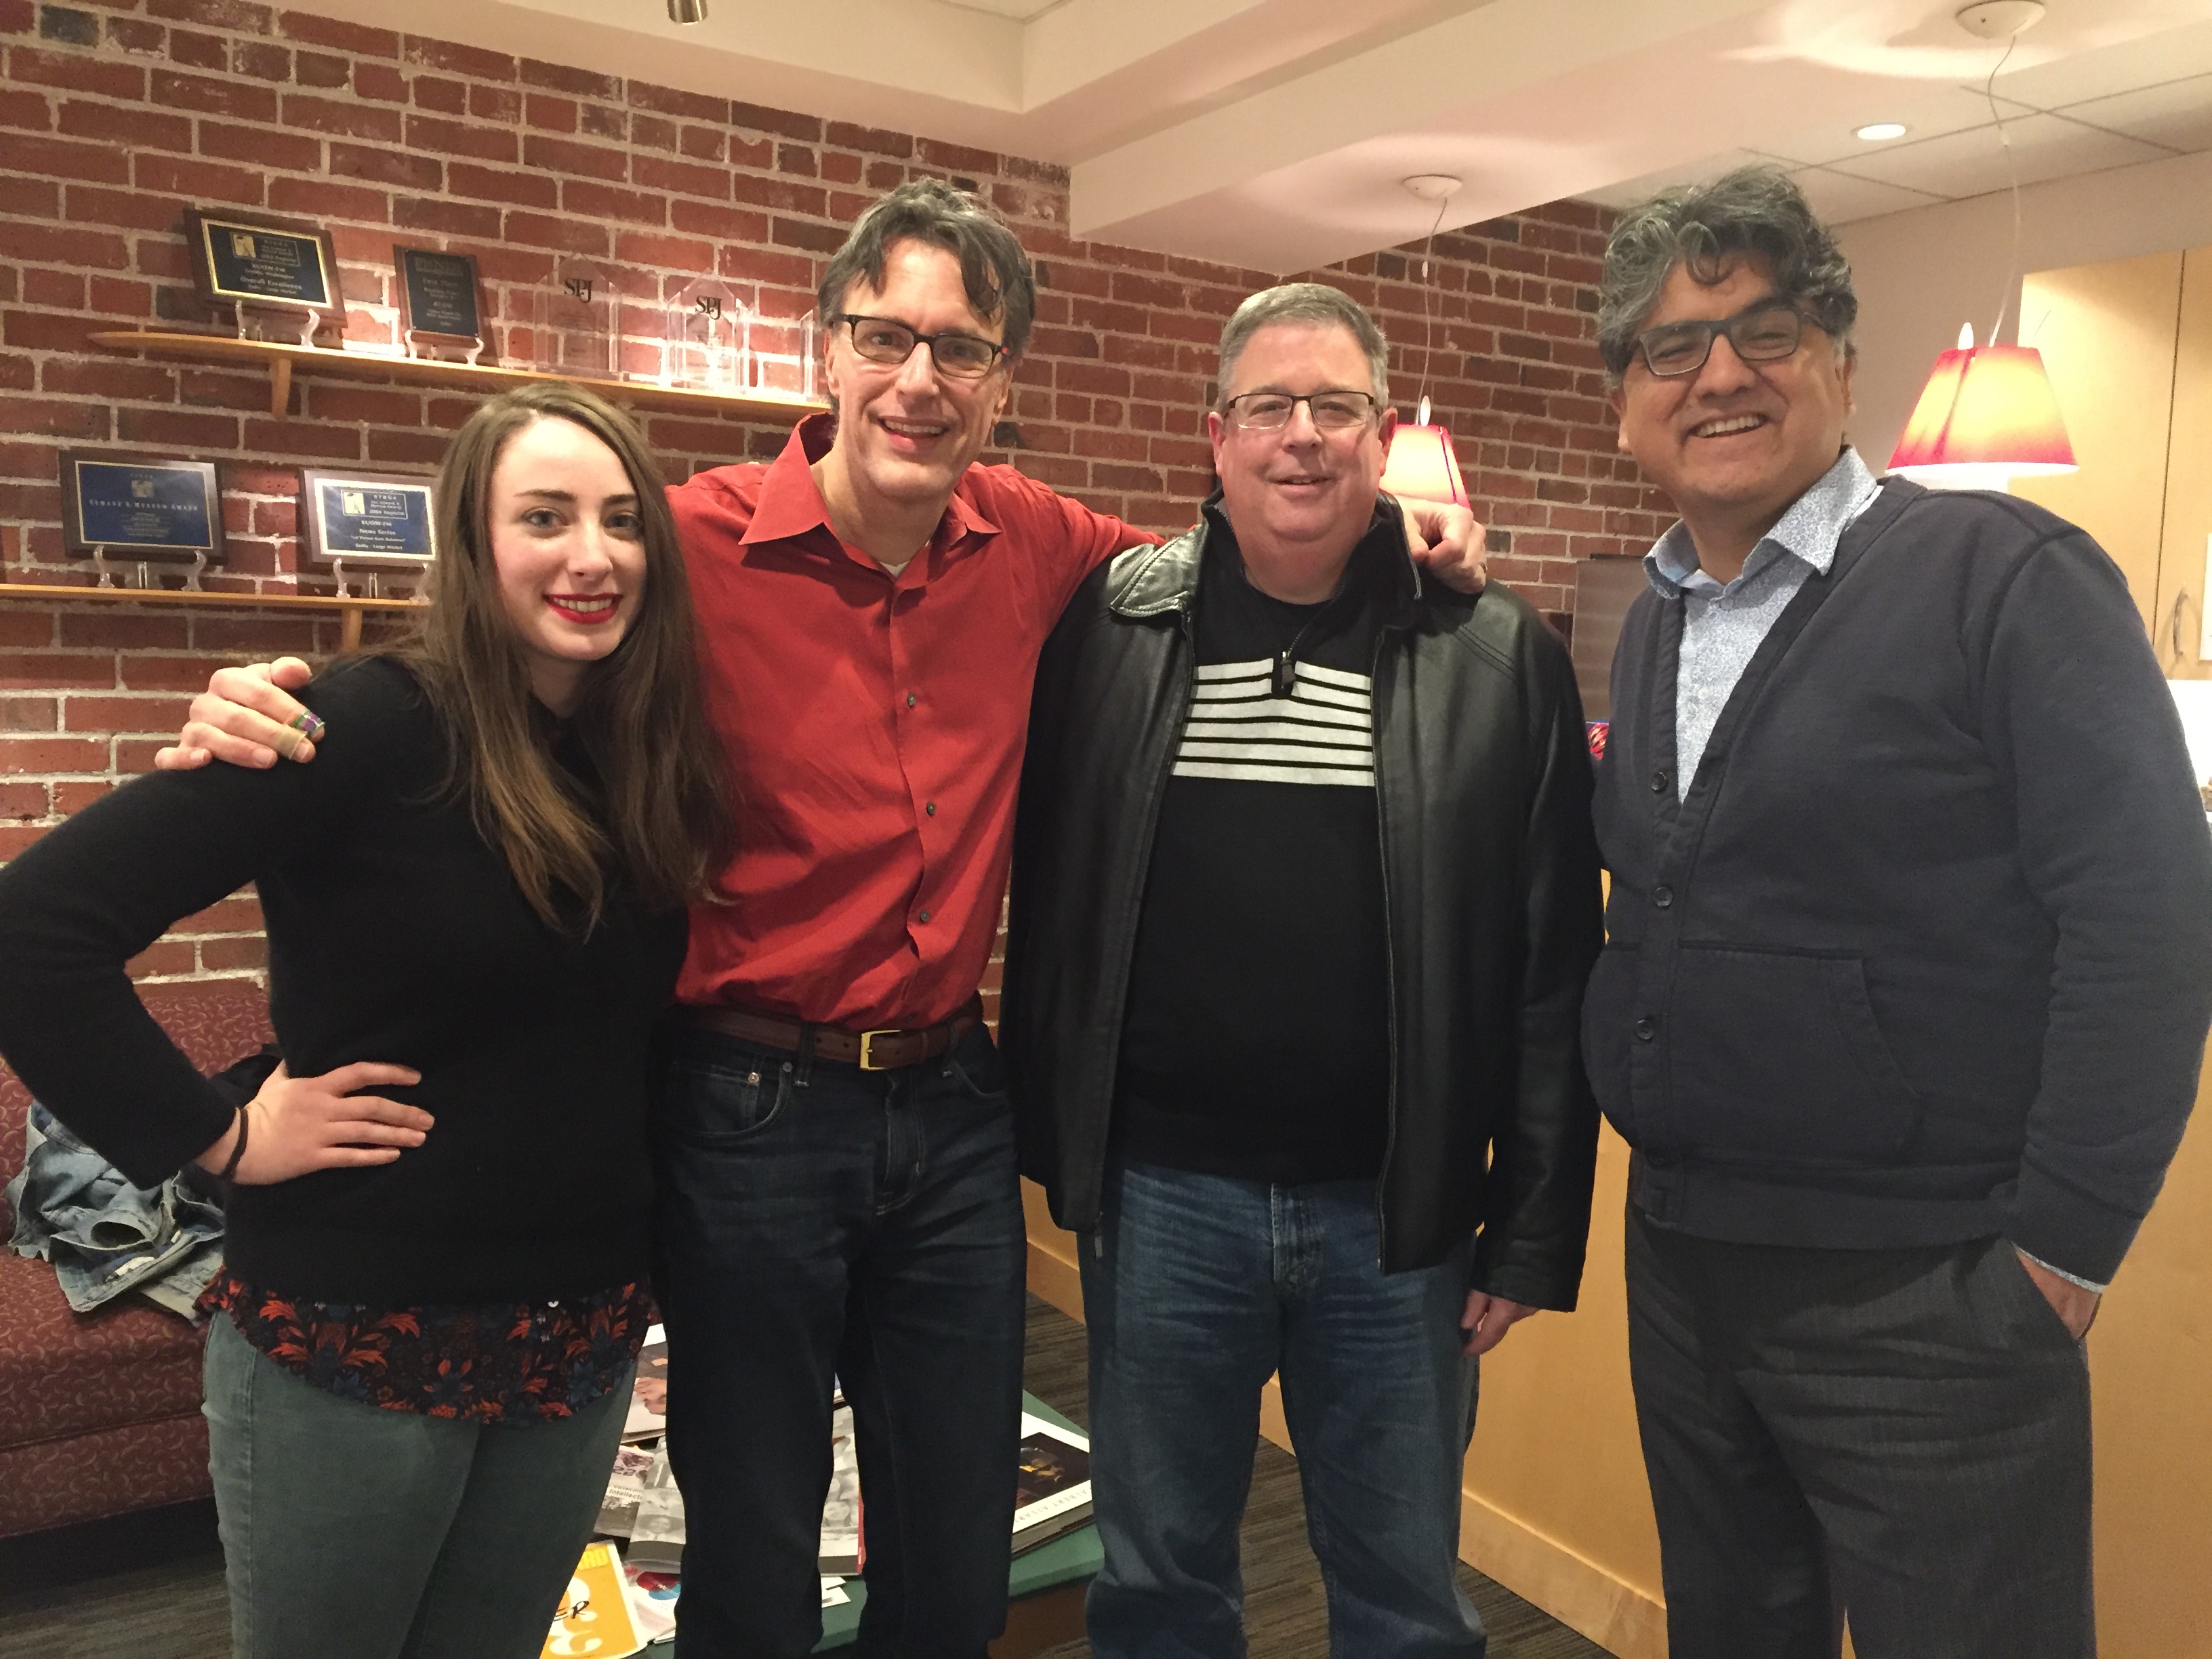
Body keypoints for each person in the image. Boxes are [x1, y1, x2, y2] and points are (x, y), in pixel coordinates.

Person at [148, 182, 1485, 1659]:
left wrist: (1392, 530)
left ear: (1001, 385)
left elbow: (1242, 542)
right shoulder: (684, 549)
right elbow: (511, 655)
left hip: (955, 1106)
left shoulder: (1051, 549)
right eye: (887, 336)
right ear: (827, 351)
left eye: (962, 350)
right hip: (741, 1105)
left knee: (956, 1540)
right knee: (756, 1539)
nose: (920, 379)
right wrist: (288, 700)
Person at [1584, 165, 2212, 1659]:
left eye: (1768, 329)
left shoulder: (2006, 577)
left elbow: (2149, 918)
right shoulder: (1659, 616)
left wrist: (2060, 1254)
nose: (1722, 371)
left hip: (1927, 1302)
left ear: (1844, 363)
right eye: (1673, 345)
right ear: (1626, 398)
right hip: (1688, 1268)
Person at [0, 384, 733, 1658]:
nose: (591, 554)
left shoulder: (637, 746)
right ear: (471, 542)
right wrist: (217, 1136)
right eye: (545, 517)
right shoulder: (361, 723)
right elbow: (31, 935)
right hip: (355, 1344)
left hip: (576, 1346)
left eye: (621, 521)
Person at [1003, 283, 1603, 1658]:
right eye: (1269, 408)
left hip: (1396, 1219)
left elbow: (1552, 968)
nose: (1302, 438)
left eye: (1335, 407)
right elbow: (1056, 891)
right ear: (1215, 437)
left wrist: (1529, 1228)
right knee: (1158, 1586)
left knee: (1403, 1596)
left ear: (1381, 436)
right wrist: (1061, 1155)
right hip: (1161, 1208)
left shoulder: (1496, 656)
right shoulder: (1114, 628)